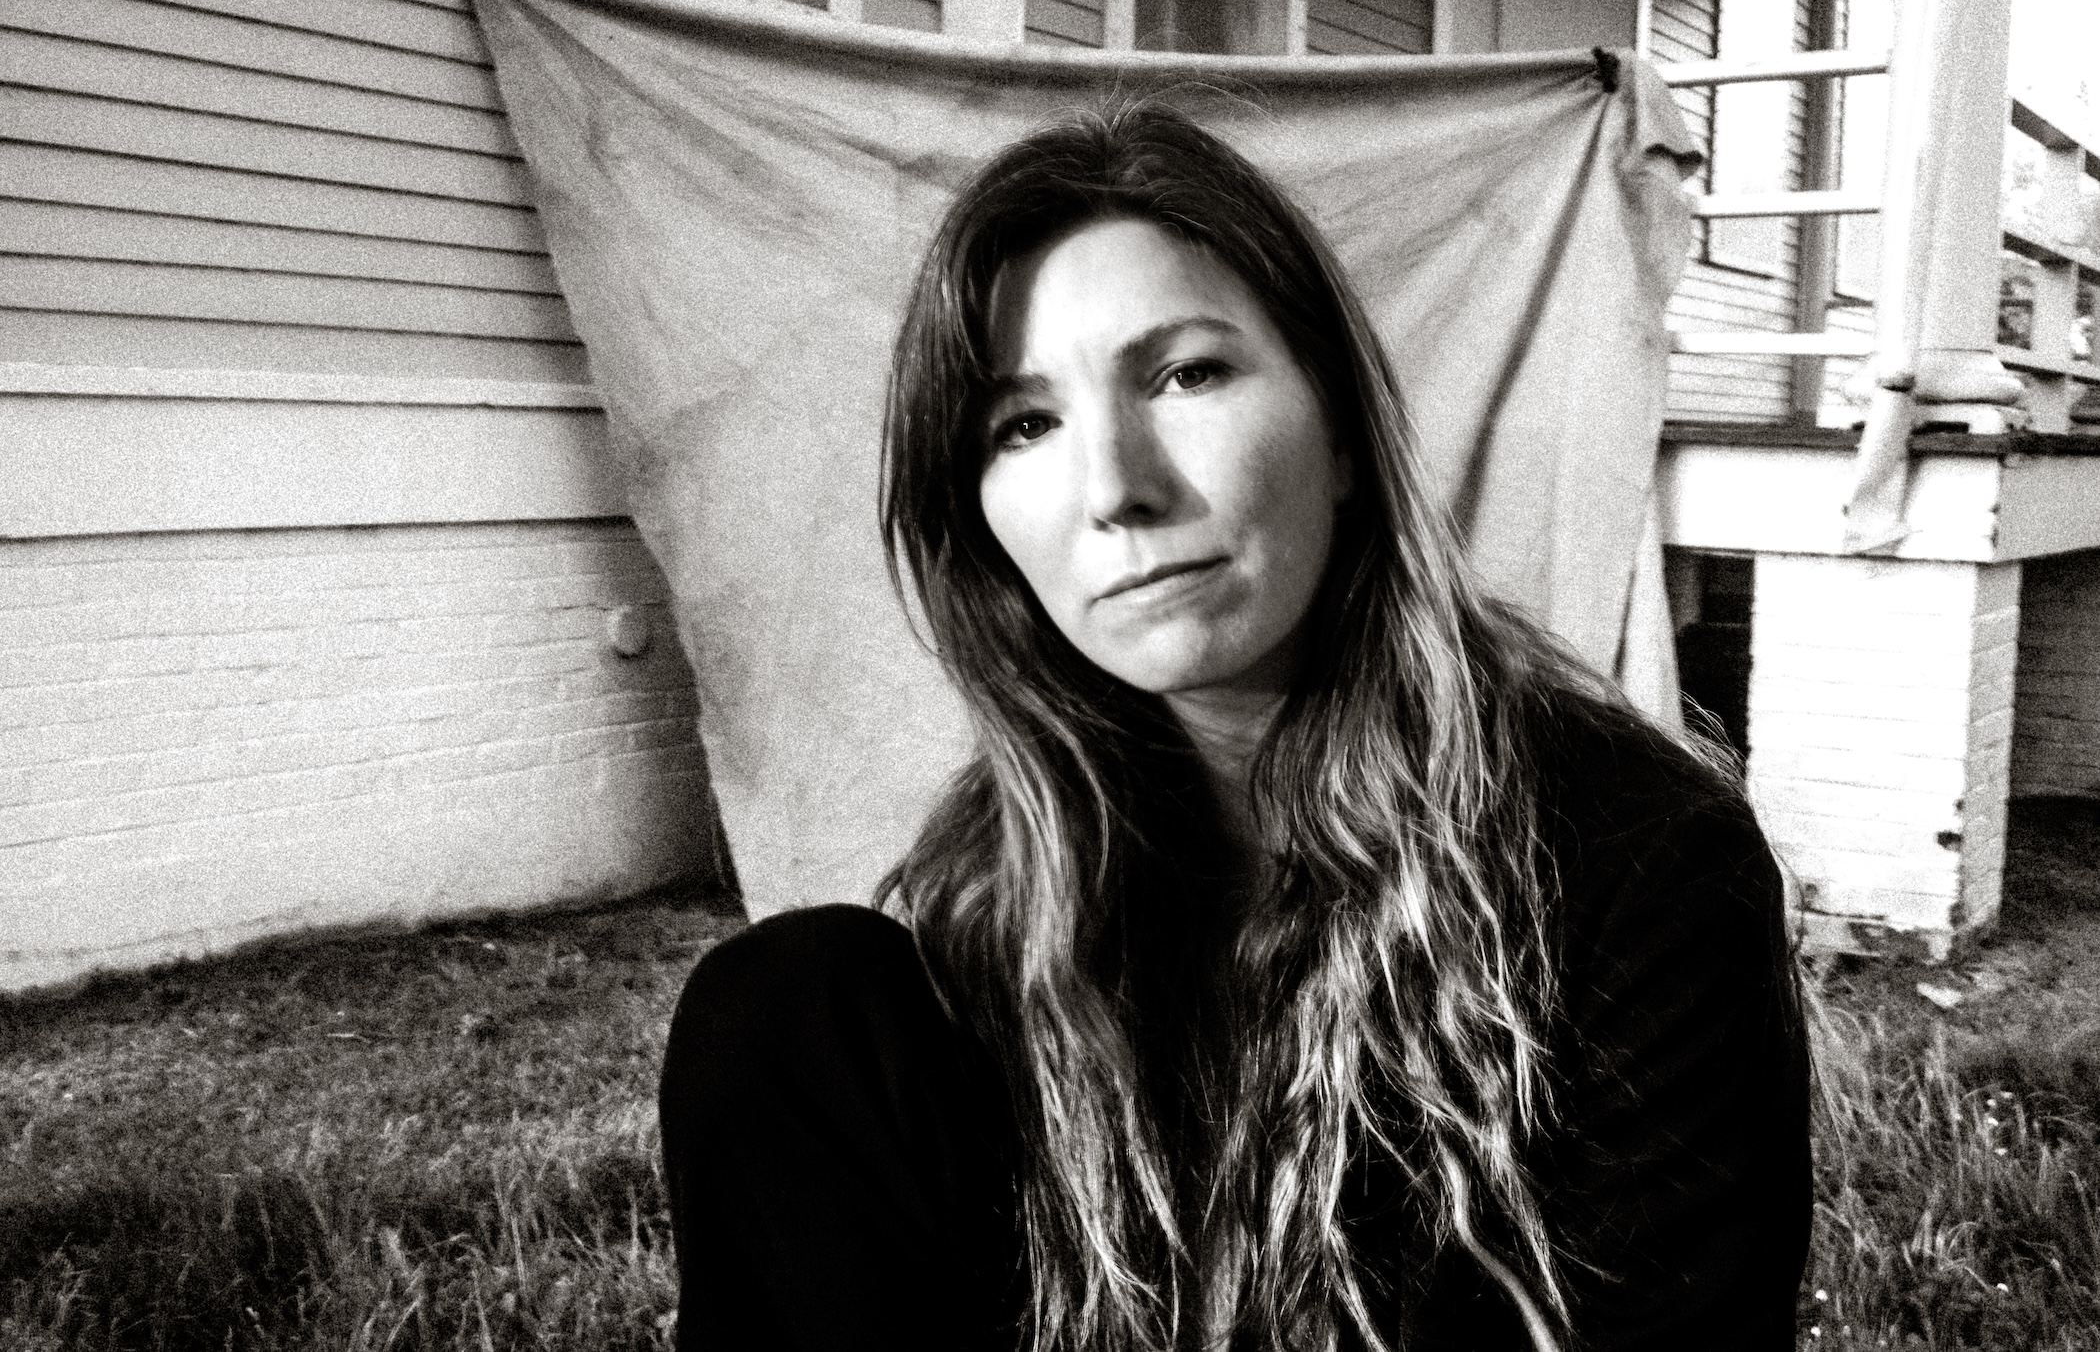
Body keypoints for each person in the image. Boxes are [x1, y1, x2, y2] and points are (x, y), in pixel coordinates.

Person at [657, 99, 1810, 1352]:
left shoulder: (1634, 859)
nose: (1117, 487)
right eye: (1025, 424)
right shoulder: (995, 910)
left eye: (1188, 374)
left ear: (1342, 435)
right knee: (783, 1002)